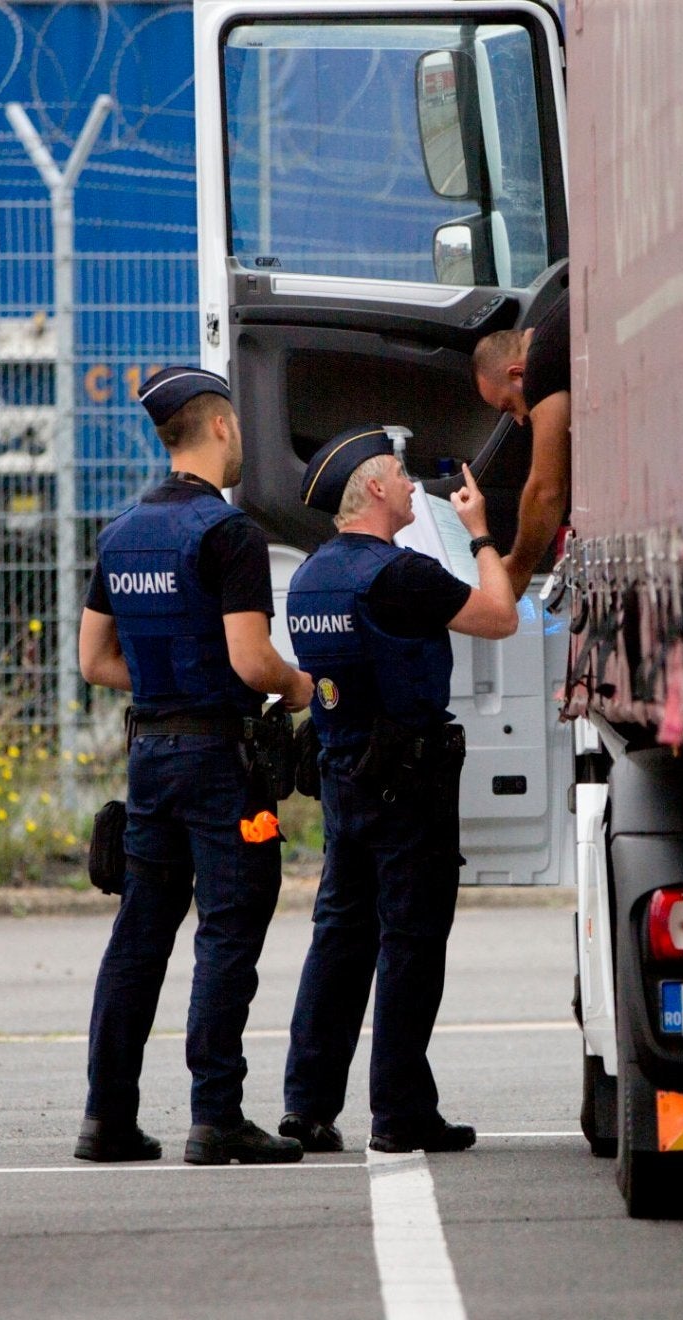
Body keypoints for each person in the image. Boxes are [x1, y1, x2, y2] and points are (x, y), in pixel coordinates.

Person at [73, 366, 313, 1166]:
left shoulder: (121, 531)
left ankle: (107, 1118)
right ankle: (215, 1115)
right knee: (228, 929)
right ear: (219, 429)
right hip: (218, 758)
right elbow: (251, 660)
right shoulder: (229, 534)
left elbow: (92, 660)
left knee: (140, 934)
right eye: (238, 423)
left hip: (149, 754)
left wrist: (165, 679)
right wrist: (301, 684)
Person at [276, 428, 528, 1154]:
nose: (414, 485)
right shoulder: (400, 574)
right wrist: (481, 534)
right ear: (375, 489)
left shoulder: (312, 575)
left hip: (342, 776)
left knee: (339, 939)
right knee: (412, 942)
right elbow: (501, 617)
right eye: (401, 473)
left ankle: (307, 1104)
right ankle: (400, 1110)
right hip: (407, 784)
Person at [470, 284, 570, 583]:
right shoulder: (556, 325)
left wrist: (519, 565)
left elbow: (546, 488)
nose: (520, 420)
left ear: (517, 375)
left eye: (510, 406)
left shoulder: (540, 366)